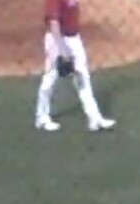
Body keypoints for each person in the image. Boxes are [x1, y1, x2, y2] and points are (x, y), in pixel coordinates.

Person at [35, 0, 116, 132]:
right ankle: (42, 117)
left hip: (74, 39)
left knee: (83, 76)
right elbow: (54, 23)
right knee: (50, 78)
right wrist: (62, 50)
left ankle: (94, 119)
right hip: (57, 40)